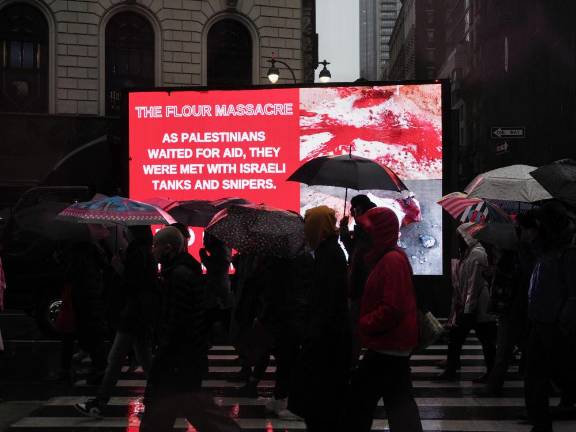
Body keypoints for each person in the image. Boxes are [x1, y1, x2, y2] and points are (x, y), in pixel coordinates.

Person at [139, 226, 240, 432]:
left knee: (172, 410)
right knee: (190, 408)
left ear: (168, 248)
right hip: (184, 359)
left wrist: (163, 356)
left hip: (178, 360)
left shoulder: (178, 275)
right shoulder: (179, 272)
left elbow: (178, 321)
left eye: (155, 246)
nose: (153, 251)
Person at [344, 207, 422, 432]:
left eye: (369, 230)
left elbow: (392, 308)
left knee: (360, 404)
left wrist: (365, 323)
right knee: (398, 405)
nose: (365, 235)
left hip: (387, 346)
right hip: (390, 346)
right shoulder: (386, 257)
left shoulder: (391, 261)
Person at [75, 226, 158, 418]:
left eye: (127, 231)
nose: (124, 233)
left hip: (133, 315)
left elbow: (134, 284)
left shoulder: (137, 253)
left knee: (115, 360)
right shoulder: (145, 252)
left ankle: (99, 402)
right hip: (140, 315)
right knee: (145, 361)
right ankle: (161, 400)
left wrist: (119, 268)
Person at [288, 205, 351, 431]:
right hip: (327, 338)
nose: (306, 231)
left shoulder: (329, 255)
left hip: (326, 341)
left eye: (309, 226)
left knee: (321, 403)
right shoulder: (327, 252)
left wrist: (311, 332)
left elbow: (328, 301)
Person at [524, 201, 576, 432]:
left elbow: (573, 293)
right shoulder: (546, 250)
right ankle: (541, 423)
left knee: (558, 374)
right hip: (541, 320)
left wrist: (563, 321)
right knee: (536, 376)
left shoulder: (567, 252)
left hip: (555, 324)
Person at [438, 222, 497, 381]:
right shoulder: (469, 253)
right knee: (464, 338)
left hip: (478, 306)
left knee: (483, 341)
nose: (458, 241)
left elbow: (473, 284)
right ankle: (453, 369)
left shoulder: (476, 254)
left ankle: (490, 374)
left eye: (460, 237)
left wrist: (467, 309)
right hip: (471, 305)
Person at [340, 195, 376, 368]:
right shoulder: (362, 227)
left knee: (357, 329)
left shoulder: (369, 227)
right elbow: (352, 251)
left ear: (359, 208)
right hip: (358, 287)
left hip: (363, 288)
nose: (351, 211)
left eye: (353, 208)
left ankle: (355, 363)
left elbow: (358, 255)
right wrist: (344, 230)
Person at [200, 233, 234, 344]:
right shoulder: (225, 249)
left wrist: (203, 257)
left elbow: (215, 268)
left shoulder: (221, 252)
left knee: (213, 316)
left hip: (217, 289)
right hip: (222, 288)